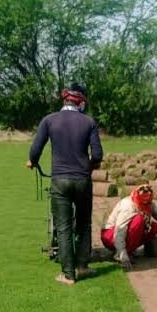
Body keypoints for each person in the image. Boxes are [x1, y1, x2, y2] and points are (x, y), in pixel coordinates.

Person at [26, 83, 103, 285]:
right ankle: (83, 266)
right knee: (84, 223)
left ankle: (68, 275)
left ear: (65, 100)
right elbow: (97, 155)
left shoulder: (49, 120)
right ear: (81, 102)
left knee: (63, 226)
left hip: (59, 180)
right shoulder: (89, 122)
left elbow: (35, 150)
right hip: (82, 180)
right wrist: (90, 167)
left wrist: (32, 162)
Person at [101, 184, 157, 270]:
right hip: (110, 235)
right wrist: (122, 255)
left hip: (122, 234)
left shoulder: (150, 203)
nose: (146, 205)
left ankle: (129, 251)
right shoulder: (128, 206)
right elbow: (119, 231)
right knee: (139, 220)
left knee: (154, 227)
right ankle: (120, 254)